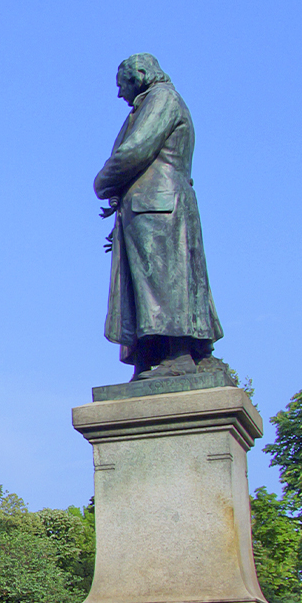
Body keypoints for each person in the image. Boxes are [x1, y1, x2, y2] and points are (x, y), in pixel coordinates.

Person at [95, 53, 226, 380]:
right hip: (150, 206)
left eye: (121, 84)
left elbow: (135, 150)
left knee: (163, 283)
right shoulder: (151, 102)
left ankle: (176, 356)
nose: (119, 93)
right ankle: (154, 355)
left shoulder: (161, 98)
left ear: (139, 74)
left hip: (157, 207)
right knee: (152, 285)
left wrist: (102, 183)